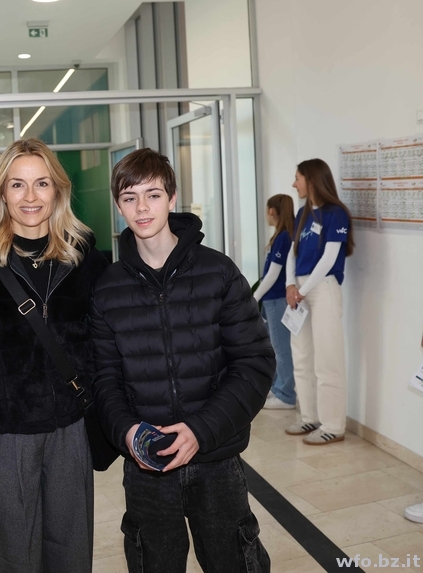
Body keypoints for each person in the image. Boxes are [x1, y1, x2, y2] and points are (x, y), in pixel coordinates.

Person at [91, 148, 274, 573]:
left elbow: (255, 364)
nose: (141, 208)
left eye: (153, 195)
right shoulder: (107, 289)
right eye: (129, 197)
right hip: (147, 467)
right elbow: (104, 379)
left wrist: (200, 430)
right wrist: (128, 432)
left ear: (172, 198)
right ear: (118, 205)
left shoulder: (218, 273)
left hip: (216, 458)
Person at [0, 138, 108, 573]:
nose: (30, 196)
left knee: (71, 549)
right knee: (15, 553)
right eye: (17, 184)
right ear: (2, 193)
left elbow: (105, 340)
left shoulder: (85, 256)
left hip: (71, 424)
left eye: (41, 183)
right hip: (7, 428)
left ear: (57, 190)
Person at [284, 158, 355, 445]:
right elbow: (293, 252)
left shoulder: (336, 213)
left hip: (322, 288)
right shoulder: (302, 213)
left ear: (311, 180)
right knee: (302, 358)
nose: (294, 184)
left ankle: (333, 426)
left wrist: (303, 288)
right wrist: (290, 284)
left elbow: (329, 258)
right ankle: (309, 417)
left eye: (297, 178)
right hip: (299, 290)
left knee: (328, 360)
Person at [253, 194, 297, 409]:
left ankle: (286, 395)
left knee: (281, 348)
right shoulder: (282, 235)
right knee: (276, 347)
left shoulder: (283, 237)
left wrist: (254, 297)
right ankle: (278, 388)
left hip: (277, 299)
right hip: (273, 300)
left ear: (271, 211)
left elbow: (272, 275)